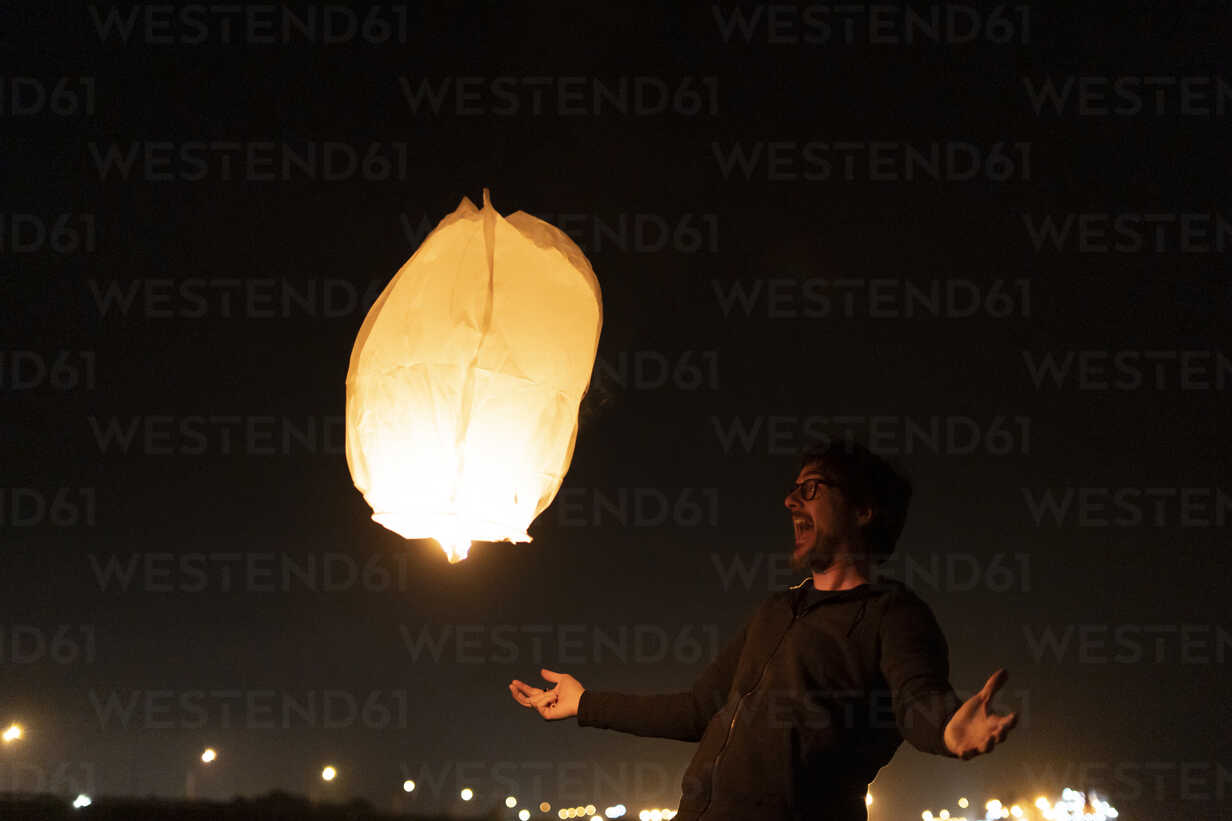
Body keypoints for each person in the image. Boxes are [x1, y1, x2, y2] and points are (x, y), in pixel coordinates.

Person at [509, 441, 1017, 821]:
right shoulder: (775, 610)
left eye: (811, 489)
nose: (791, 502)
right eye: (793, 490)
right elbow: (698, 709)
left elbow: (916, 698)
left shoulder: (894, 614)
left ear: (864, 510)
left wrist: (949, 728)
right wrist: (586, 703)